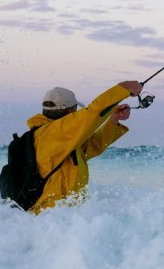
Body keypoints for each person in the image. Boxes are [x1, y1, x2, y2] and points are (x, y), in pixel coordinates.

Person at [26, 80, 142, 213]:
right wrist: (123, 89)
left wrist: (113, 120)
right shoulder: (52, 134)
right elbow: (92, 113)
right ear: (70, 111)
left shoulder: (59, 140)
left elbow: (91, 147)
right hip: (47, 219)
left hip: (60, 220)